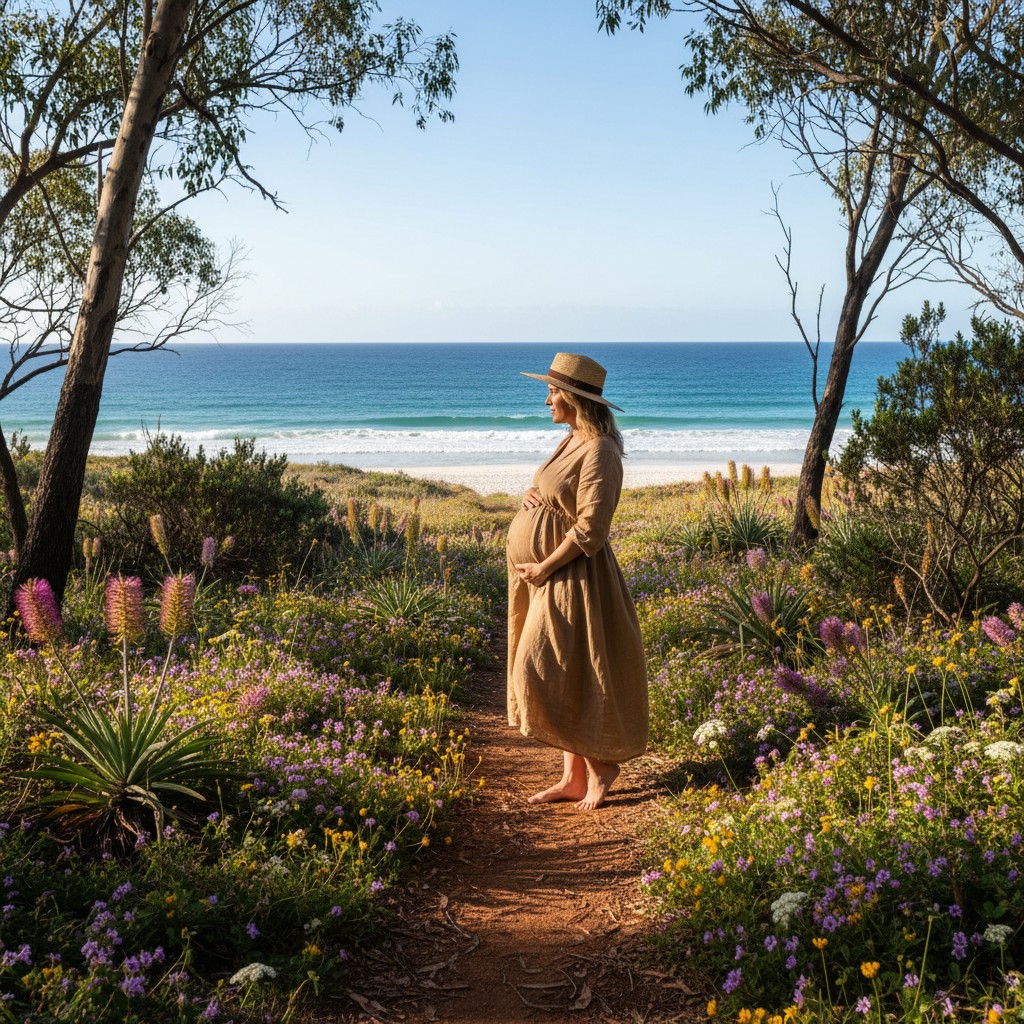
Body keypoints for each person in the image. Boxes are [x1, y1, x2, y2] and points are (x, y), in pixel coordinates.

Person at [506, 352, 648, 811]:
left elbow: (591, 528)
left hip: (573, 574)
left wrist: (545, 567)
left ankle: (602, 766)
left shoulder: (601, 449)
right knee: (567, 670)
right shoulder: (572, 439)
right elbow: (559, 497)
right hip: (545, 575)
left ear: (573, 397)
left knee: (541, 666)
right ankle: (573, 775)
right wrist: (533, 494)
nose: (547, 400)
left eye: (552, 391)